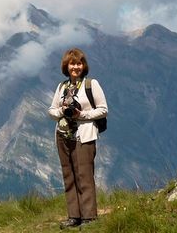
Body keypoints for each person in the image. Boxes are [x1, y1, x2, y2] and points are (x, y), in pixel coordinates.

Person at [48, 48, 108, 229]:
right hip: (63, 136)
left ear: (84, 66)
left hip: (84, 136)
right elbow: (51, 110)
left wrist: (81, 115)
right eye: (72, 63)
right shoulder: (62, 87)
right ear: (66, 66)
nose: (75, 67)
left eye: (79, 63)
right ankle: (74, 216)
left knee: (84, 176)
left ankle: (89, 217)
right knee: (69, 176)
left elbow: (103, 109)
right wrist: (61, 112)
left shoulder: (91, 84)